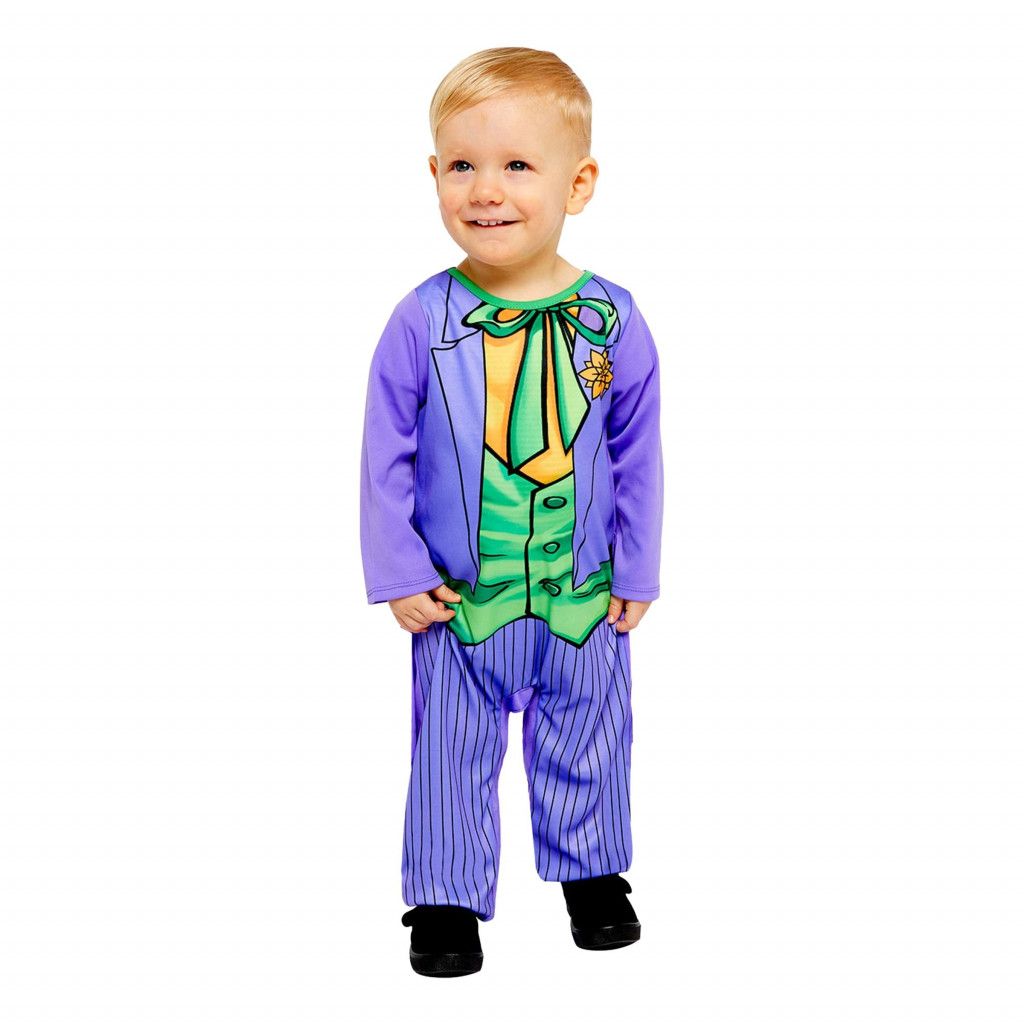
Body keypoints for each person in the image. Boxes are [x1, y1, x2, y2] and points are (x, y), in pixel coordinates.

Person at [359, 46, 664, 977]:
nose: (485, 190)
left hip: (580, 592)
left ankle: (593, 875)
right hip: (460, 599)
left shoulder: (613, 319)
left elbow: (638, 451)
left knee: (591, 736)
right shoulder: (422, 319)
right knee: (449, 749)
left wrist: (638, 567)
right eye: (462, 165)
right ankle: (445, 899)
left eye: (517, 165)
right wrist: (400, 571)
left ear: (579, 184)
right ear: (434, 175)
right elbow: (383, 454)